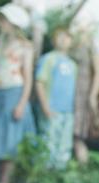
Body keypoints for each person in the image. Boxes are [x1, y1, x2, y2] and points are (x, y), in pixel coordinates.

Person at [0, 3, 36, 183]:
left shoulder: (25, 46)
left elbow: (28, 77)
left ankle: (5, 182)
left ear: (13, 22)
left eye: (2, 20)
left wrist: (22, 103)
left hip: (15, 92)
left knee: (10, 137)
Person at [35, 27, 77, 169]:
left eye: (67, 37)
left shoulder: (73, 64)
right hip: (52, 108)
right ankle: (45, 173)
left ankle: (59, 173)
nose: (63, 39)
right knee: (49, 141)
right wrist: (45, 106)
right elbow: (40, 82)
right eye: (59, 36)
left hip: (68, 110)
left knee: (64, 143)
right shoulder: (49, 59)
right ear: (54, 40)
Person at [71, 18, 99, 163]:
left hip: (84, 93)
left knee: (78, 134)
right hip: (72, 92)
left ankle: (82, 167)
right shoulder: (74, 45)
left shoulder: (93, 45)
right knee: (71, 132)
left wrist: (92, 95)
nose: (80, 27)